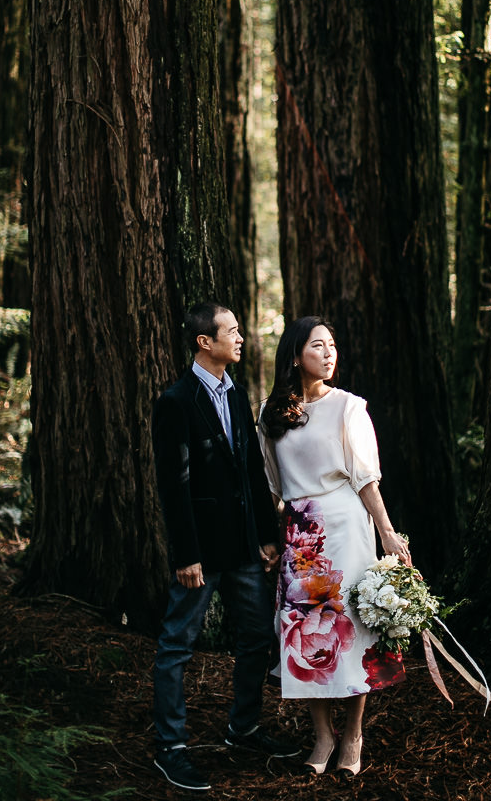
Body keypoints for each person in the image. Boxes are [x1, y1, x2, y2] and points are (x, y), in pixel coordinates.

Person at [152, 301, 299, 791]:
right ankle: (171, 747)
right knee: (177, 645)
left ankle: (244, 727)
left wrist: (266, 537)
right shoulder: (175, 401)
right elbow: (174, 486)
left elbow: (253, 474)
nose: (240, 338)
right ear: (204, 343)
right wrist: (186, 555)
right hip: (201, 555)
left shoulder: (237, 395)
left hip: (242, 549)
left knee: (257, 636)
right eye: (231, 332)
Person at [258, 316, 410, 778]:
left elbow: (366, 477)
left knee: (350, 630)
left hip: (346, 527)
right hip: (300, 534)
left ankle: (353, 733)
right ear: (295, 355)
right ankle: (322, 734)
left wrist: (387, 532)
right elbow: (269, 482)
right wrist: (269, 535)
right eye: (317, 346)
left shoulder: (348, 407)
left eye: (332, 345)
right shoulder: (271, 413)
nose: (329, 354)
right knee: (304, 634)